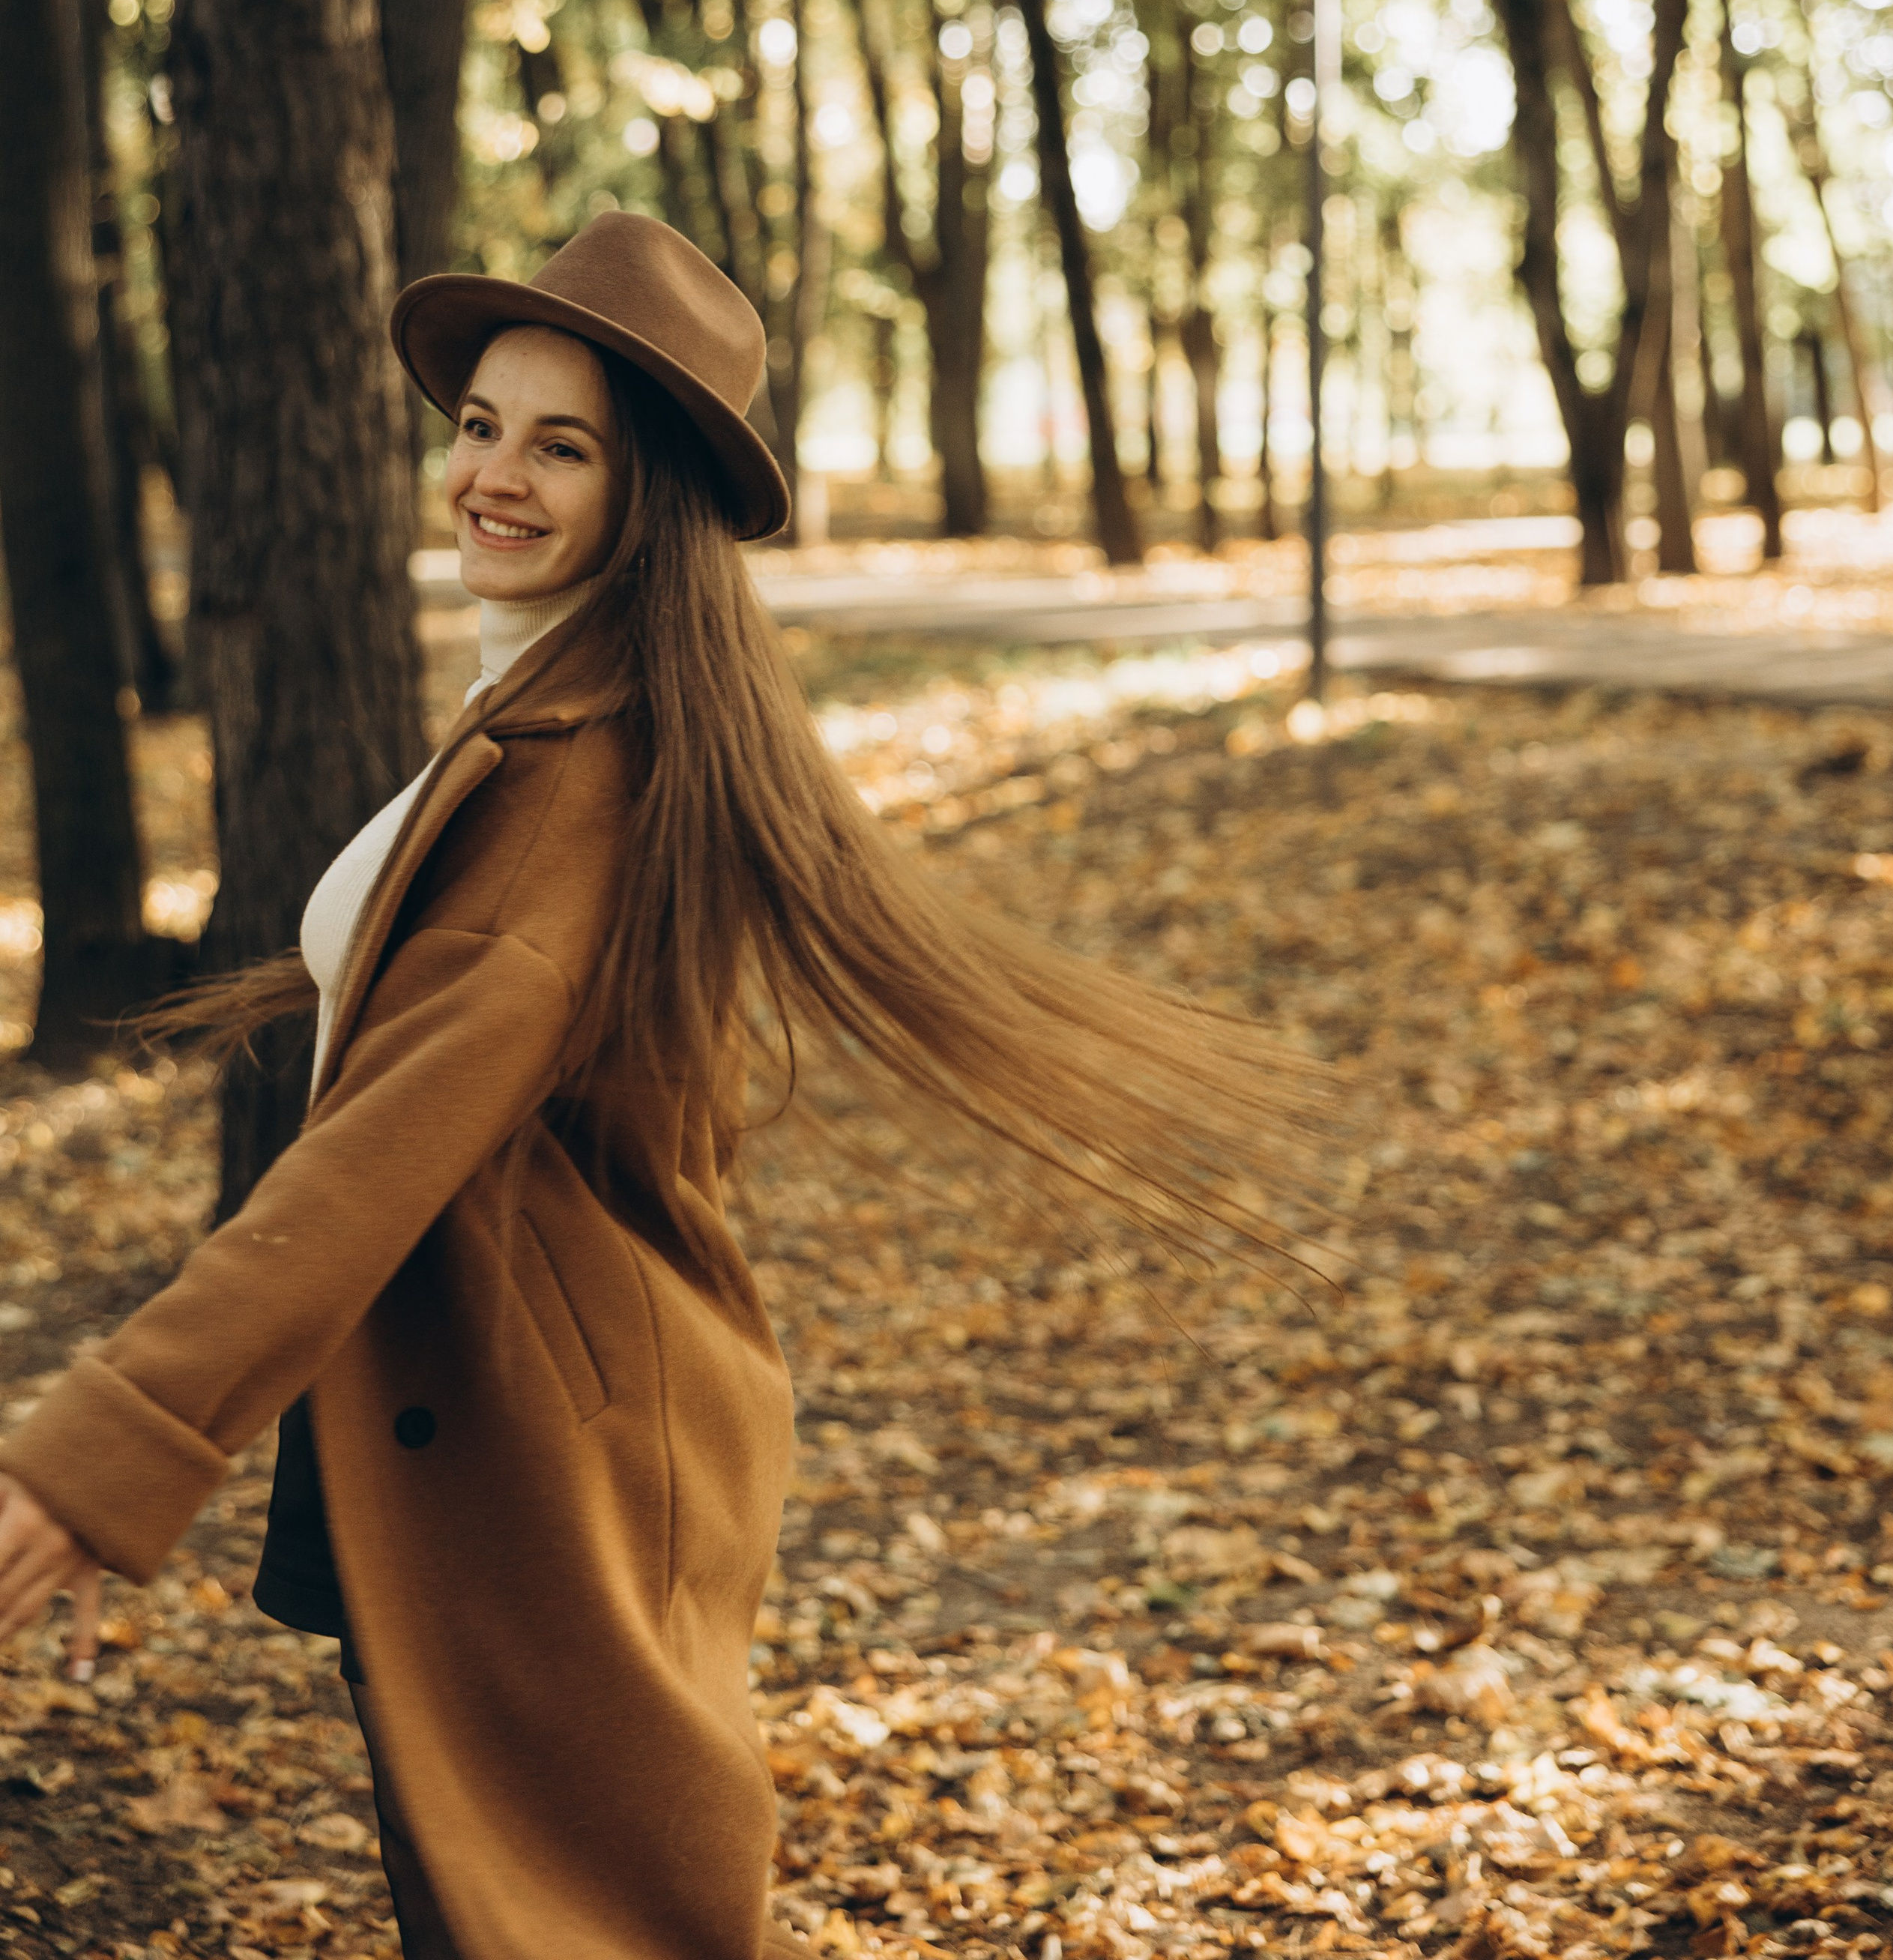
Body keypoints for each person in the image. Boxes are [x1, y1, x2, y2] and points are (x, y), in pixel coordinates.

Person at [0, 212, 1329, 1960]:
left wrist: (109, 1448)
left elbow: (374, 1157)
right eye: (481, 423)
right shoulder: (550, 705)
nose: (494, 474)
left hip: (562, 1447)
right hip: (542, 1408)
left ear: (649, 497)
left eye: (563, 446)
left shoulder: (582, 774)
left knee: (592, 1918)